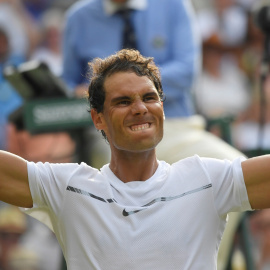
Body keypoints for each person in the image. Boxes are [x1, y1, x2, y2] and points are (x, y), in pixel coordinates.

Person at [1, 48, 270, 269]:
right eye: (123, 101)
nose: (140, 108)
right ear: (98, 118)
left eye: (149, 97)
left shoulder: (208, 179)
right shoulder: (69, 186)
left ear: (162, 110)